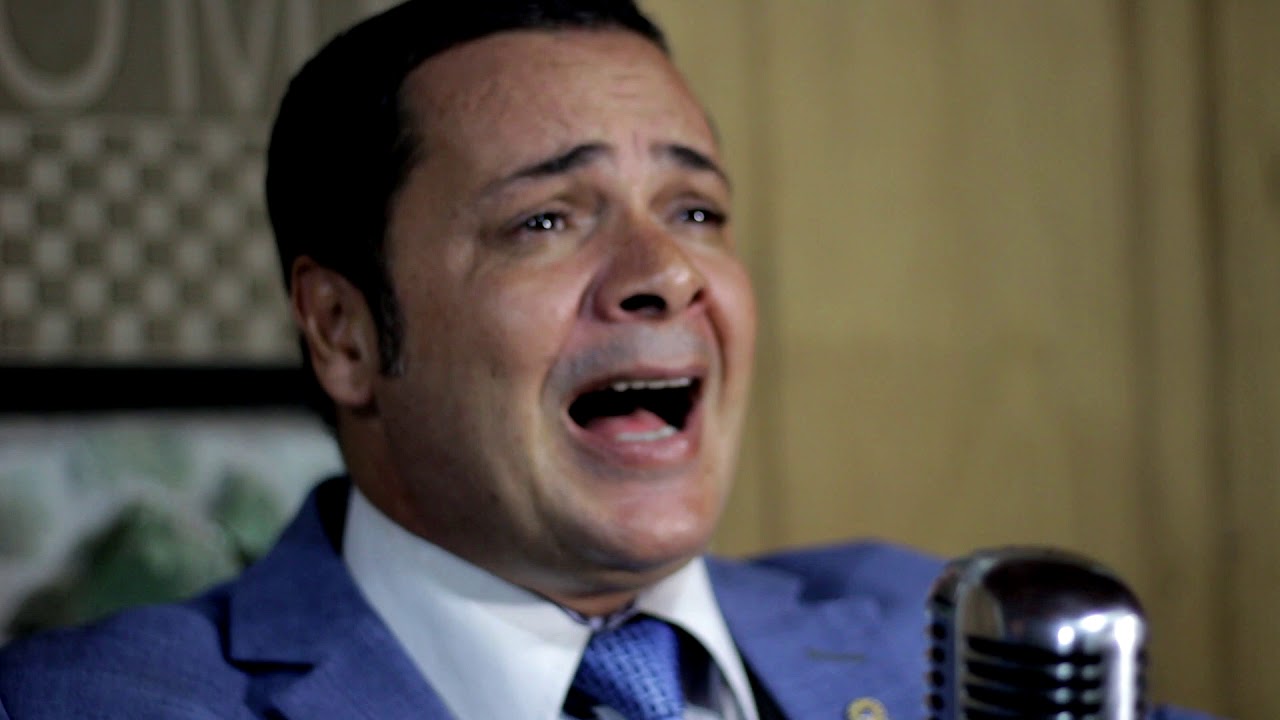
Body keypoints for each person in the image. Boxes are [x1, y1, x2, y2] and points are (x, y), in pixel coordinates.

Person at [0, 2, 1217, 718]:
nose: (667, 272)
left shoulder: (939, 630)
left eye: (694, 211)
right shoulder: (82, 704)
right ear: (344, 332)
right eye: (546, 219)